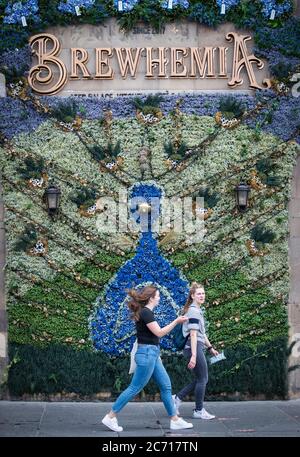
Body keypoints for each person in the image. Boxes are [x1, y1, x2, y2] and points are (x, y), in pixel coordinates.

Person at [102, 285, 194, 432]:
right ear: (151, 298)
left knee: (166, 386)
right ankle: (111, 416)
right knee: (135, 387)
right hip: (147, 354)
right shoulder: (146, 313)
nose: (159, 298)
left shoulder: (146, 312)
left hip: (152, 354)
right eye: (158, 295)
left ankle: (175, 420)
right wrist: (176, 322)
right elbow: (159, 333)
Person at [172, 282, 219, 419]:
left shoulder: (197, 310)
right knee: (203, 379)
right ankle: (198, 411)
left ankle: (177, 398)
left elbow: (201, 334)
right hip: (193, 347)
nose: (202, 296)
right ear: (192, 296)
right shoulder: (193, 310)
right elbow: (193, 334)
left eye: (203, 293)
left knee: (200, 378)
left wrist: (210, 348)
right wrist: (193, 355)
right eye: (199, 293)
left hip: (196, 346)